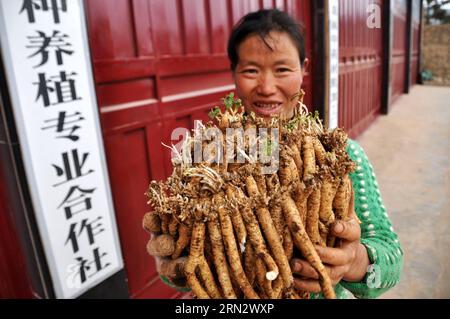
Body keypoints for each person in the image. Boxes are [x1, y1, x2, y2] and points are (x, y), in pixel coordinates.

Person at [151, 8, 403, 299]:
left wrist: (354, 260)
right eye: (251, 71)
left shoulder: (339, 156)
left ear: (304, 68)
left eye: (282, 69)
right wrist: (174, 265)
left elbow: (391, 259)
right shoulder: (207, 158)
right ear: (233, 72)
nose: (267, 88)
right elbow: (186, 263)